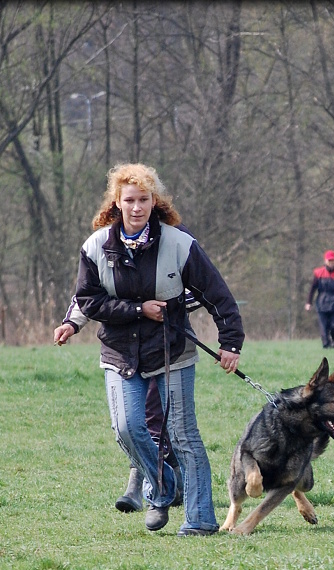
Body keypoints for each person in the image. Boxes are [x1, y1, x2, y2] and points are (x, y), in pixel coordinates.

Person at [75, 163, 244, 536]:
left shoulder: (180, 243)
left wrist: (230, 342)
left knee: (183, 434)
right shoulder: (96, 246)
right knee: (126, 428)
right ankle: (163, 485)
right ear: (116, 203)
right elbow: (88, 300)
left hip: (172, 350)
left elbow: (218, 295)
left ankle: (199, 519)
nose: (137, 207)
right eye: (129, 200)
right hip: (119, 353)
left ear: (155, 202)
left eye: (144, 200)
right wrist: (137, 309)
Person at [53, 291, 200, 512]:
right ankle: (163, 480)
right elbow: (90, 291)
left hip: (166, 345)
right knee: (128, 423)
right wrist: (73, 323)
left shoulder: (175, 256)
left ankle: (155, 486)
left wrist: (167, 306)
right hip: (124, 348)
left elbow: (199, 289)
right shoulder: (107, 257)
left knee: (158, 415)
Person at [305, 250, 334, 349]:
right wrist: (309, 302)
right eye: (329, 260)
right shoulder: (318, 273)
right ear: (325, 261)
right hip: (322, 304)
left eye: (332, 260)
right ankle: (326, 344)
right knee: (323, 327)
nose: (331, 262)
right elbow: (312, 289)